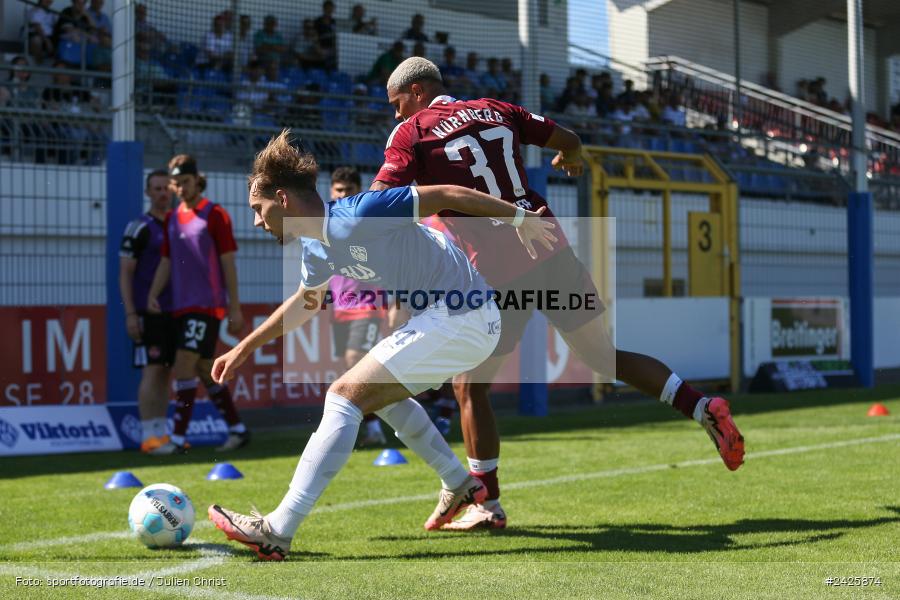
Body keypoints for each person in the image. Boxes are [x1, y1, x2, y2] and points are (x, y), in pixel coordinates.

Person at [370, 57, 745, 530]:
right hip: (550, 249)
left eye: (397, 104)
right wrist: (572, 159)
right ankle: (700, 405)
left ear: (418, 91)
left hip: (500, 271)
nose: (395, 115)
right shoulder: (497, 109)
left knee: (469, 386)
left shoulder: (413, 133)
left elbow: (381, 199)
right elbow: (569, 140)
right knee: (604, 358)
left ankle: (488, 504)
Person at [206, 129, 555, 560]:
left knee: (344, 394)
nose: (257, 222)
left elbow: (448, 192)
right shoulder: (315, 248)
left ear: (282, 199)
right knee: (377, 396)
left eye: (258, 210)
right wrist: (244, 347)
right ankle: (460, 483)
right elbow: (306, 303)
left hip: (465, 312)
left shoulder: (360, 211)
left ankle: (277, 529)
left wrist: (520, 219)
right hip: (447, 319)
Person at [147, 155, 249, 454]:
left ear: (197, 180)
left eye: (184, 182)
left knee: (183, 365)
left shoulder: (215, 214)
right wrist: (154, 292)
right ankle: (237, 429)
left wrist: (235, 306)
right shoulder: (172, 217)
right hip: (181, 305)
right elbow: (166, 260)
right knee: (205, 370)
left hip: (207, 305)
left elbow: (228, 262)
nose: (179, 188)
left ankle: (177, 439)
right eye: (175, 183)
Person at [327, 167, 388, 447]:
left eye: (348, 190)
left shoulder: (367, 222)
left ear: (358, 191)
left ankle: (373, 427)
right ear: (331, 191)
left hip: (368, 305)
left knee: (356, 361)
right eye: (338, 190)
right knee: (350, 370)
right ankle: (374, 425)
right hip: (340, 307)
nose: (342, 195)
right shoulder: (327, 224)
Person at [119, 169, 175, 453]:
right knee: (152, 372)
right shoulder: (139, 227)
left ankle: (160, 434)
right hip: (147, 313)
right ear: (148, 193)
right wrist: (131, 313)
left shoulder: (179, 224)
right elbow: (125, 273)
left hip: (174, 311)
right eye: (157, 188)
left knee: (166, 372)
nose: (162, 193)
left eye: (166, 188)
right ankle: (148, 437)